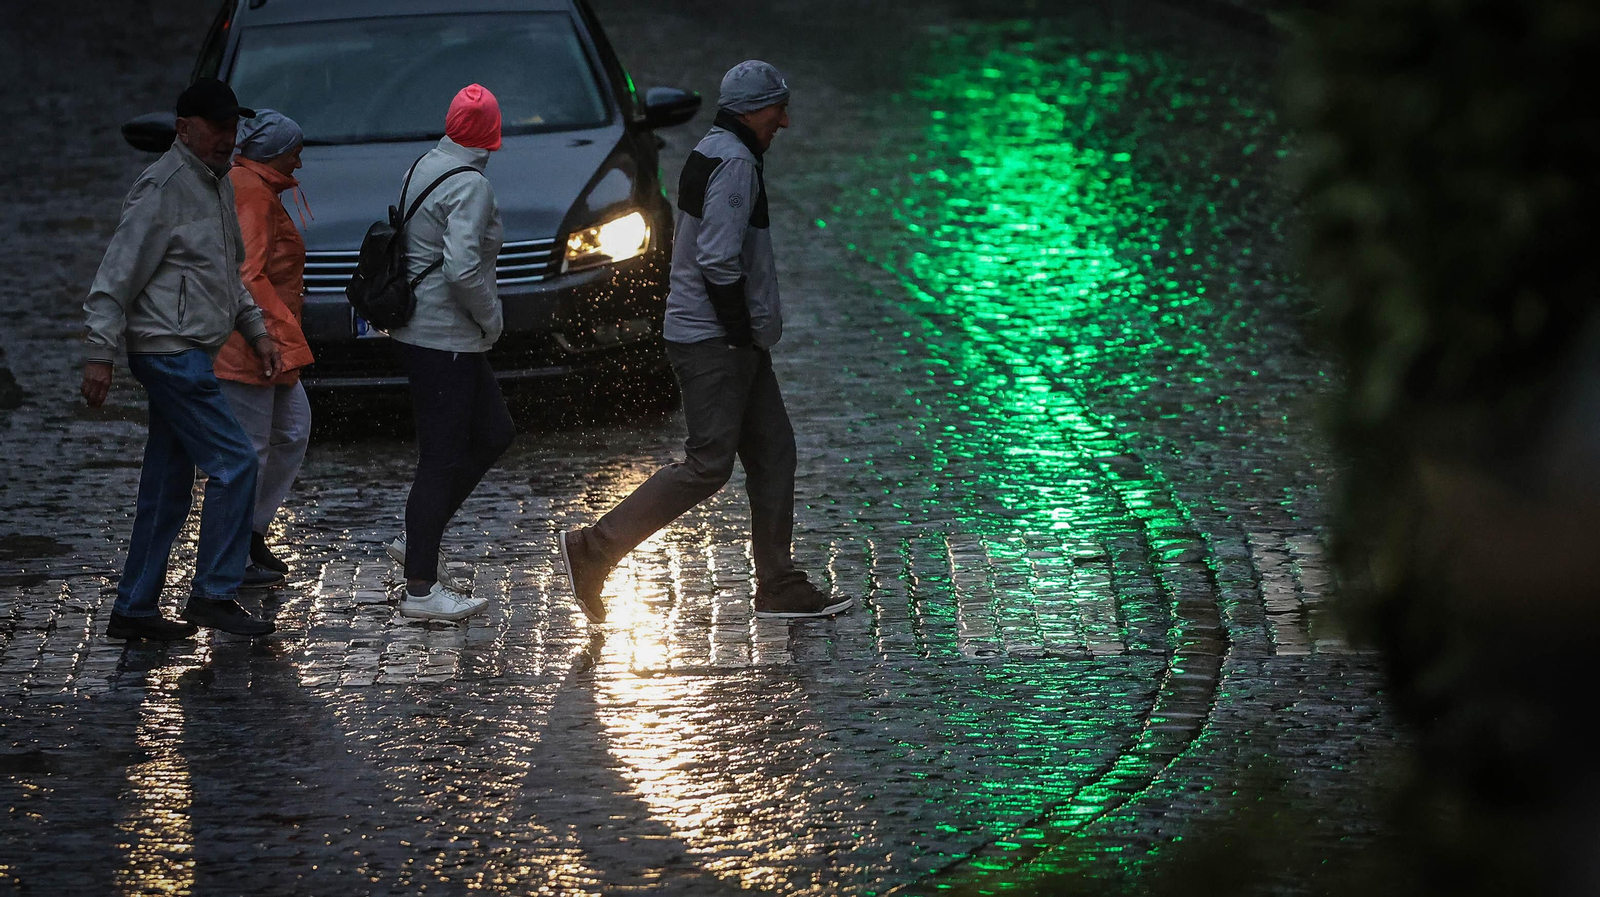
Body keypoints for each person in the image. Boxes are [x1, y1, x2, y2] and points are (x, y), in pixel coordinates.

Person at [559, 61, 853, 624]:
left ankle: (779, 585)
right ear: (750, 110)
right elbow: (718, 259)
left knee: (773, 453)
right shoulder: (736, 162)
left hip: (723, 337)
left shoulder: (714, 147)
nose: (784, 122)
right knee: (708, 464)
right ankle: (595, 549)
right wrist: (739, 337)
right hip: (716, 340)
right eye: (776, 109)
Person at [82, 78, 281, 640]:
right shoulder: (162, 187)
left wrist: (256, 330)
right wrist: (99, 354)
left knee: (167, 487)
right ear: (186, 129)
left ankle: (134, 609)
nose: (227, 137)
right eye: (217, 127)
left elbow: (228, 273)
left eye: (232, 127)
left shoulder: (215, 182)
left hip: (189, 348)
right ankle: (214, 593)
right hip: (169, 352)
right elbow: (114, 276)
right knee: (236, 462)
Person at [386, 84, 513, 623]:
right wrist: (491, 317)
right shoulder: (472, 186)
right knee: (441, 457)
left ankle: (421, 533)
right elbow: (462, 269)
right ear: (491, 136)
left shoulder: (427, 163)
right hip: (448, 337)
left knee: (495, 433)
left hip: (429, 331)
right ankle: (420, 590)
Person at [215, 109, 316, 589]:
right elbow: (247, 275)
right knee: (252, 450)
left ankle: (248, 536)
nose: (300, 159)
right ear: (276, 153)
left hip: (260, 340)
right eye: (296, 150)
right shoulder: (251, 193)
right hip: (248, 345)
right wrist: (276, 339)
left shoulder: (252, 186)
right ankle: (235, 551)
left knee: (291, 430)